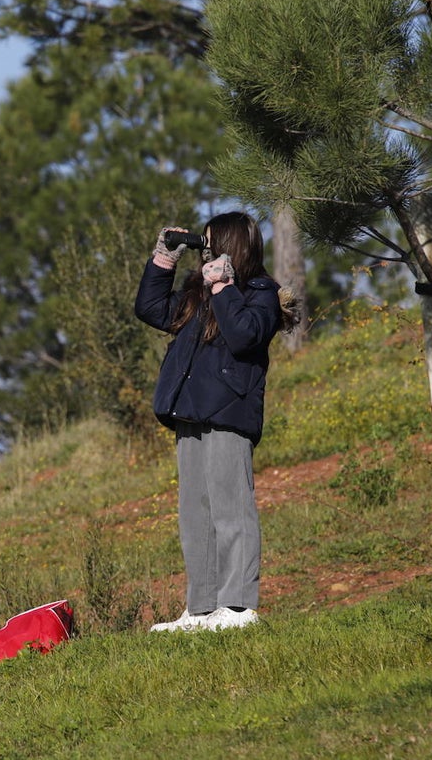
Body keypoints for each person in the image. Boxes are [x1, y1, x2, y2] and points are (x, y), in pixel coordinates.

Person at [134, 212, 298, 633]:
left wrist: (224, 287)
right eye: (202, 245)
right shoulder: (197, 294)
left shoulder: (261, 293)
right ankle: (202, 609)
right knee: (195, 514)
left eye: (212, 244)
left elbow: (244, 336)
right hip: (189, 410)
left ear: (233, 246)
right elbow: (150, 309)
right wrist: (164, 259)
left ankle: (238, 606)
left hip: (229, 411)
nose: (205, 253)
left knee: (231, 508)